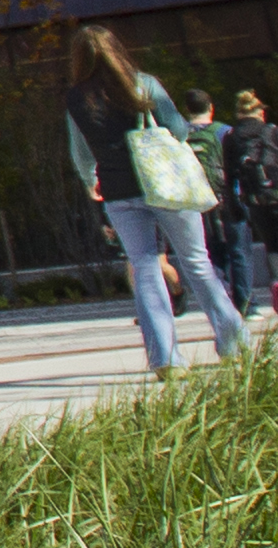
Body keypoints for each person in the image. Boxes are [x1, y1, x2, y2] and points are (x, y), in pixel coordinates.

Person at [60, 23, 245, 375]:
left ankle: (165, 359)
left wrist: (90, 180)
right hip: (165, 184)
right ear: (117, 49)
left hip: (118, 192)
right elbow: (177, 129)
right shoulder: (143, 83)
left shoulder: (76, 97)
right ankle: (233, 340)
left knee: (144, 267)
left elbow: (80, 151)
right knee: (196, 262)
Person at [218, 90, 278, 319]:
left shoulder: (230, 137)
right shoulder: (273, 131)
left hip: (256, 201)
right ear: (259, 111)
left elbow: (229, 176)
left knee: (272, 245)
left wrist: (234, 205)